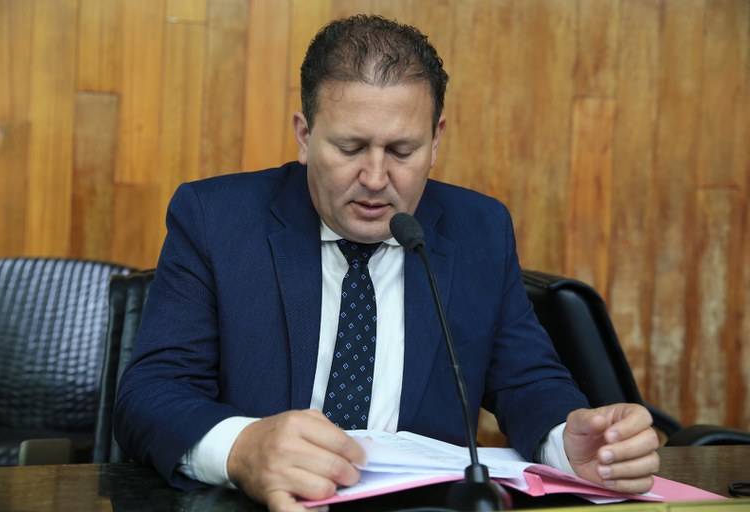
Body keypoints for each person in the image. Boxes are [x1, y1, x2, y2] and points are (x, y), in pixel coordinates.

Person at [114, 14, 660, 512]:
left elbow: (528, 382)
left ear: (436, 140)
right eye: (350, 148)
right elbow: (150, 395)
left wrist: (568, 443)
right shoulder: (216, 219)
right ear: (305, 136)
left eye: (402, 151)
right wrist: (242, 448)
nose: (376, 179)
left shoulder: (478, 230)